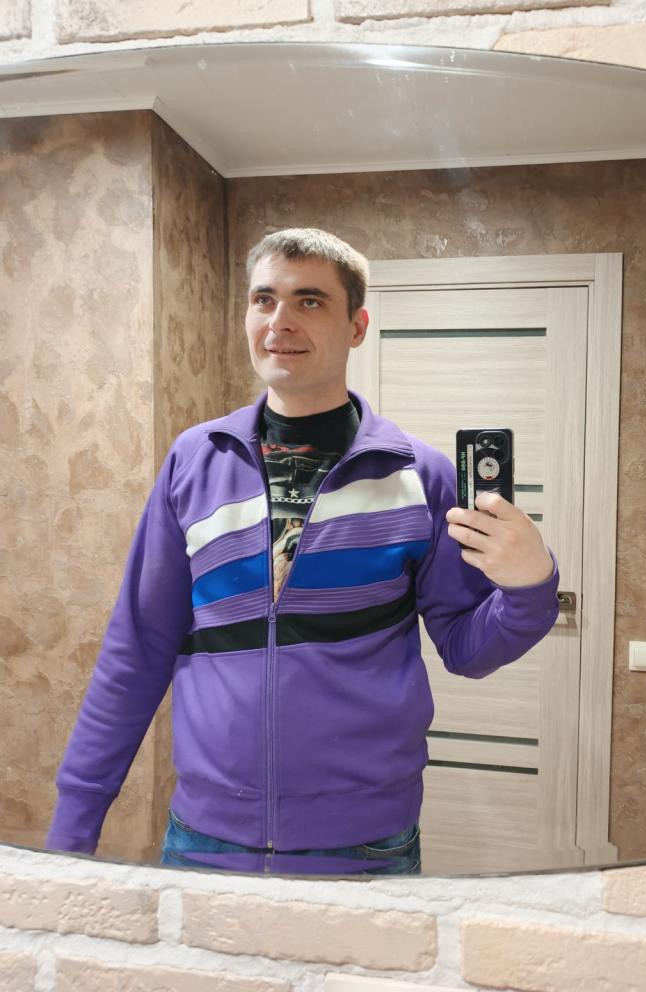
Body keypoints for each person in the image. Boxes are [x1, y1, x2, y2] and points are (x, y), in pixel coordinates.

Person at [45, 227, 561, 876]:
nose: (280, 320)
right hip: (206, 839)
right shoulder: (194, 463)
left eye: (310, 301)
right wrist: (73, 829)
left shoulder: (419, 477)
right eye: (264, 299)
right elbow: (138, 649)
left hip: (365, 845)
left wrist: (530, 586)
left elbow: (467, 648)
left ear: (356, 326)